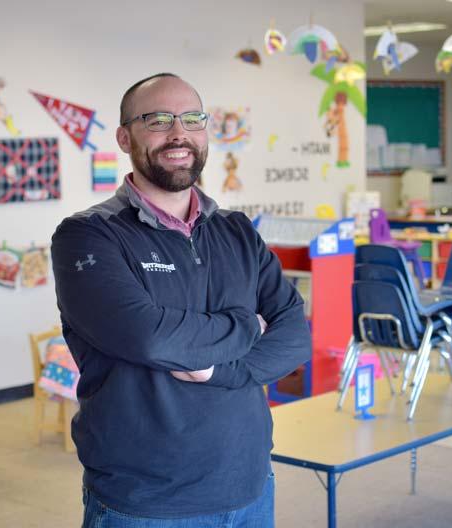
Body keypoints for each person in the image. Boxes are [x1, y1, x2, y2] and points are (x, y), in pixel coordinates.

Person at [51, 73, 310, 527]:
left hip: (250, 482)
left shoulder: (237, 231)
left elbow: (294, 334)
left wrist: (219, 370)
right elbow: (148, 337)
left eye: (192, 118)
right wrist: (248, 325)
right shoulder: (88, 236)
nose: (179, 133)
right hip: (146, 500)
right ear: (124, 137)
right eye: (158, 119)